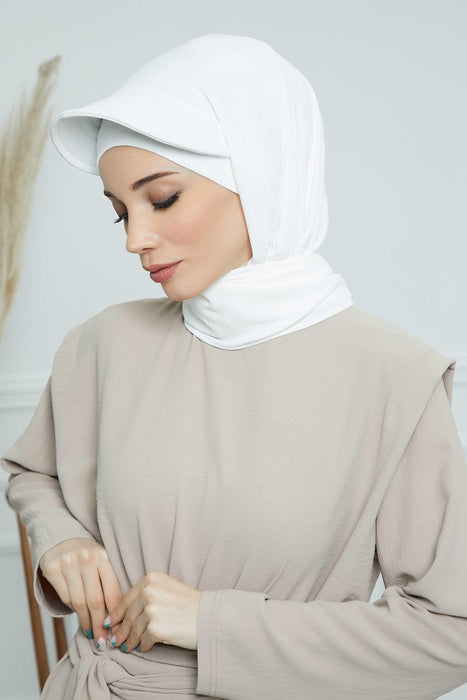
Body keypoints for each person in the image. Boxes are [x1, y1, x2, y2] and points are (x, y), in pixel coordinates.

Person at [2, 33, 467, 700]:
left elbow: (450, 632)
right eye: (119, 213)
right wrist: (59, 540)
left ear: (260, 174)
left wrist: (212, 624)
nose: (135, 239)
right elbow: (33, 472)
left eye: (162, 198)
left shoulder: (393, 377)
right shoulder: (104, 343)